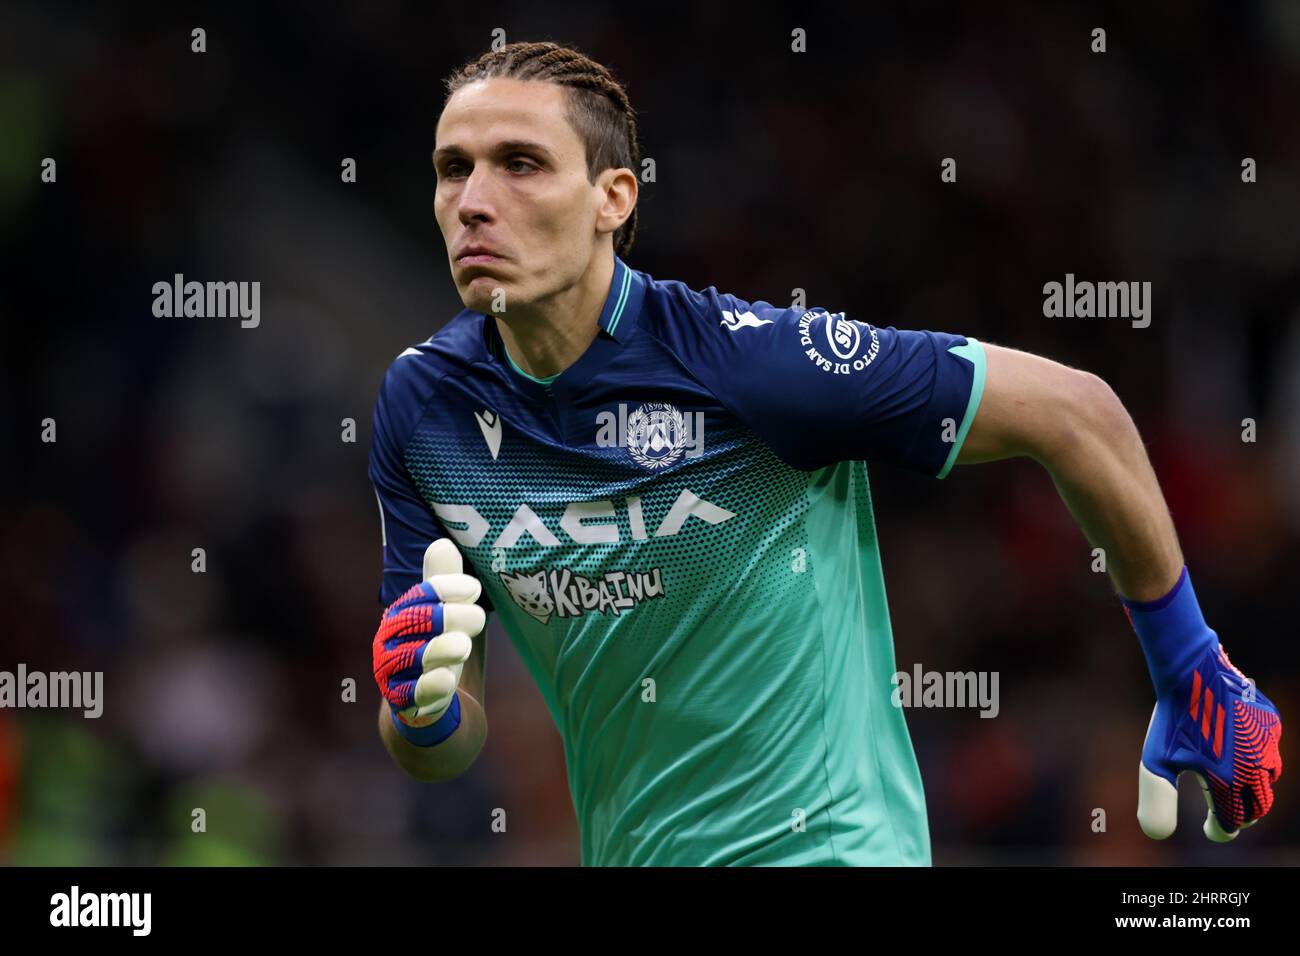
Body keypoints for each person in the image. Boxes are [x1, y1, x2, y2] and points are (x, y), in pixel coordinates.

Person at [368, 40, 1282, 865]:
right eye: (455, 169)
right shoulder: (425, 411)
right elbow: (443, 748)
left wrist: (1191, 663)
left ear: (614, 198)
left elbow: (1079, 413)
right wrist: (421, 705)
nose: (474, 202)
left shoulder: (752, 365)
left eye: (520, 164)